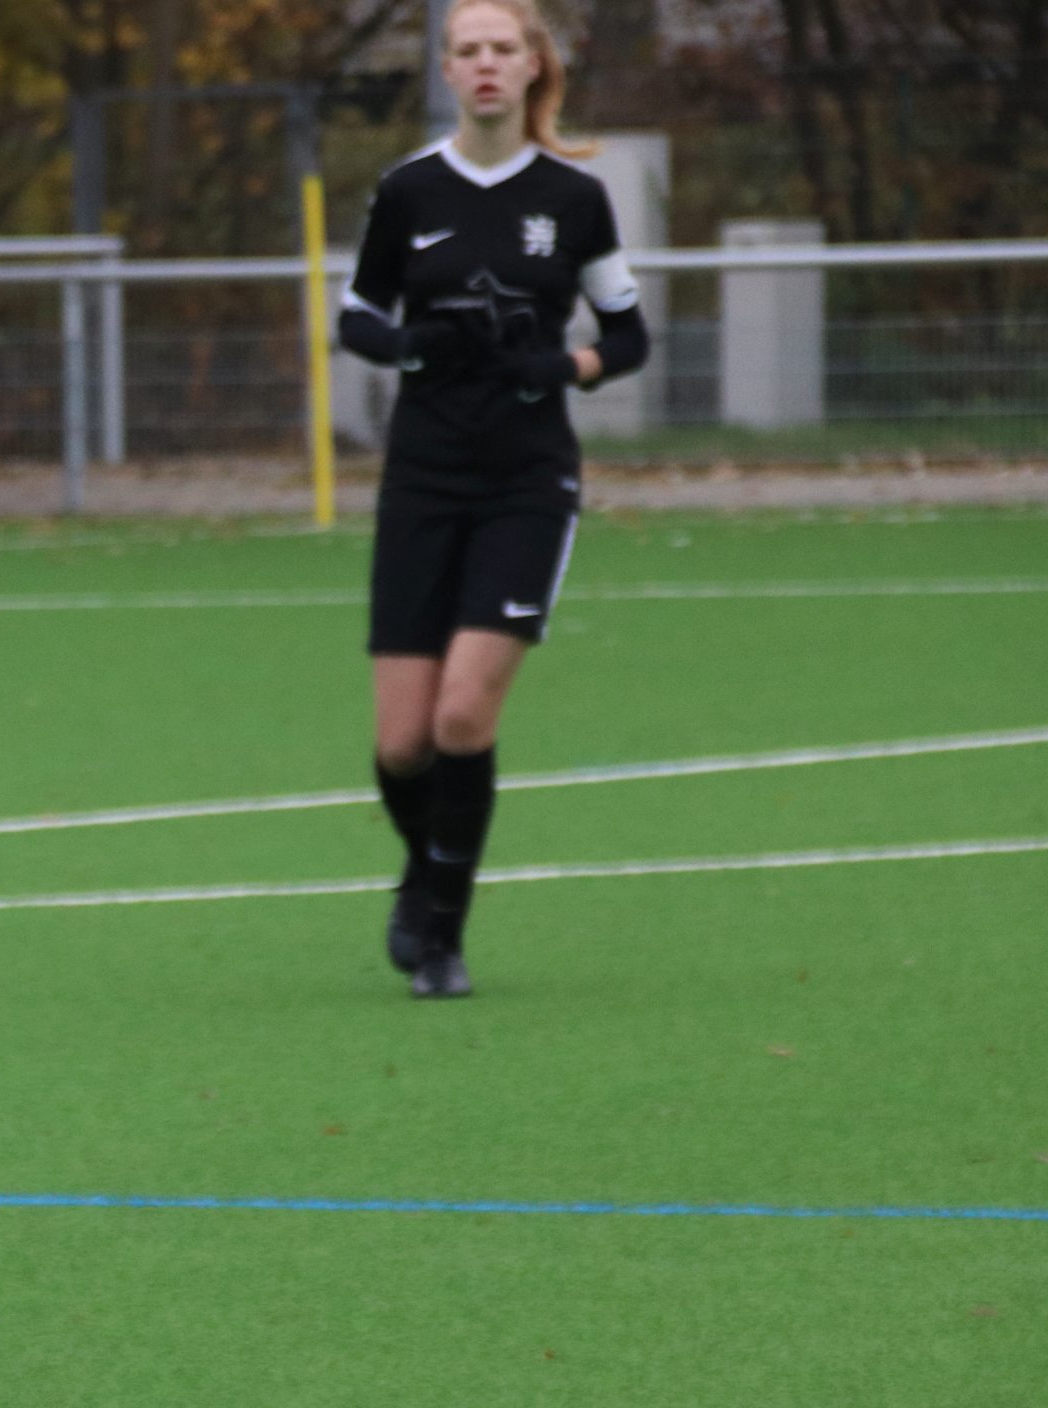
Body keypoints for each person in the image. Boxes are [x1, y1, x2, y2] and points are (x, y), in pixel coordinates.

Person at [337, 0, 648, 997]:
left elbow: (630, 335)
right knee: (400, 739)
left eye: (501, 49)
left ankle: (443, 934)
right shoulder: (408, 190)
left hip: (527, 479)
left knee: (462, 716)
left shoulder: (575, 197)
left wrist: (565, 365)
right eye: (466, 50)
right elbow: (358, 315)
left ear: (530, 67)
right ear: (447, 69)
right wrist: (409, 346)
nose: (483, 65)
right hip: (423, 474)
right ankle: (424, 869)